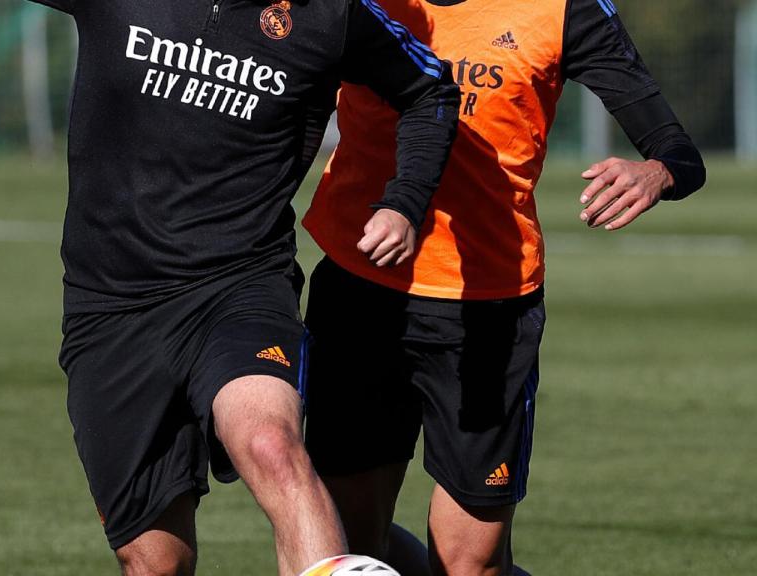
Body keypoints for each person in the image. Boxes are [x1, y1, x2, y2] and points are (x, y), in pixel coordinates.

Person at [27, 1, 459, 574]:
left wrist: (404, 203)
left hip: (241, 288)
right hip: (112, 307)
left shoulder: (334, 15)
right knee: (156, 563)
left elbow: (431, 88)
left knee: (272, 446)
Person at [302, 0, 706, 574]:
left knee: (468, 564)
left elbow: (677, 150)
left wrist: (656, 172)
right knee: (351, 549)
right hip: (360, 289)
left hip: (487, 312)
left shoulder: (566, 9)